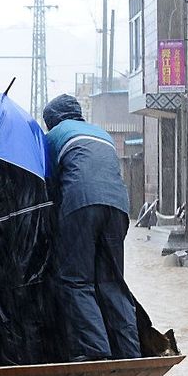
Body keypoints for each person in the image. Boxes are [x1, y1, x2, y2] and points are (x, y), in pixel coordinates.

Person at [42, 94, 141, 361]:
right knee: (111, 281)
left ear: (52, 120)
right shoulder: (102, 134)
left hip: (82, 204)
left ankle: (96, 350)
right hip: (120, 207)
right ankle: (130, 351)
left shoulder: (53, 137)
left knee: (76, 280)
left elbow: (47, 185)